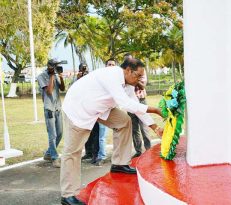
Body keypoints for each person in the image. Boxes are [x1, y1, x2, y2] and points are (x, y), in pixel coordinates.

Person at [60, 58, 163, 205]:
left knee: (124, 121)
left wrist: (155, 128)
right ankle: (68, 195)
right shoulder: (112, 75)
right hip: (79, 107)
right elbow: (125, 103)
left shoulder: (129, 84)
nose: (140, 80)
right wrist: (154, 110)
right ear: (128, 70)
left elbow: (135, 107)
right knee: (72, 152)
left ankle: (119, 164)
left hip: (100, 108)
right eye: (138, 76)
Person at [37, 59, 65, 168]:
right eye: (53, 66)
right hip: (49, 109)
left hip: (58, 107)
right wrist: (52, 76)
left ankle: (48, 153)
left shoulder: (56, 75)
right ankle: (54, 157)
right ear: (48, 66)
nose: (54, 68)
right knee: (52, 135)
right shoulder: (41, 76)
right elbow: (49, 91)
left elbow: (62, 89)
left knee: (60, 133)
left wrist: (61, 77)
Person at [94, 58, 117, 166]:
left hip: (114, 111)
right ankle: (101, 156)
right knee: (102, 136)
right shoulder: (101, 79)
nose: (111, 66)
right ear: (106, 66)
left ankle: (117, 158)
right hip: (103, 111)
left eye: (113, 64)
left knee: (118, 134)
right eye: (109, 64)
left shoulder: (118, 79)